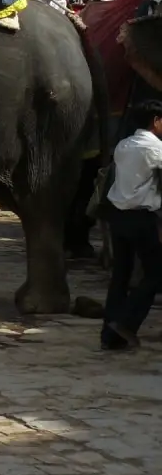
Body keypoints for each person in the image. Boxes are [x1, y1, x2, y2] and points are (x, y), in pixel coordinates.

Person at [100, 99, 162, 351]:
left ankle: (110, 334)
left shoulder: (123, 146)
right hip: (143, 218)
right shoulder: (156, 150)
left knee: (121, 275)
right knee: (155, 274)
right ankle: (126, 322)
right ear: (156, 120)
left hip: (118, 216)